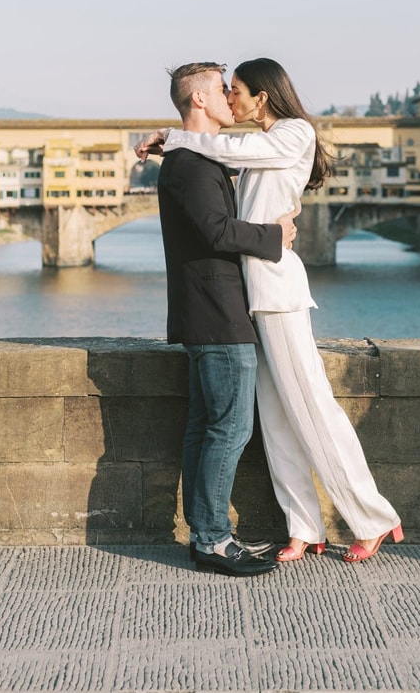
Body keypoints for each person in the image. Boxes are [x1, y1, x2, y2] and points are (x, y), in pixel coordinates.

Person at [137, 57, 402, 564]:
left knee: (311, 405)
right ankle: (303, 526)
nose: (231, 99)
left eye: (236, 90)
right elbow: (218, 157)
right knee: (276, 418)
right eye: (224, 89)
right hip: (247, 296)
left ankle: (372, 516)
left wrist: (170, 137)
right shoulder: (245, 151)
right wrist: (171, 142)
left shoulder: (294, 132)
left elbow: (219, 146)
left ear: (262, 96)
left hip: (277, 293)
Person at [155, 61, 297, 577]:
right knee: (230, 428)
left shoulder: (193, 158)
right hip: (217, 315)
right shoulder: (191, 165)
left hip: (203, 311)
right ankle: (214, 540)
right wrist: (274, 236)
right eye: (221, 89)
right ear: (198, 100)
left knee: (204, 426)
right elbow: (217, 233)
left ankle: (203, 534)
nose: (230, 98)